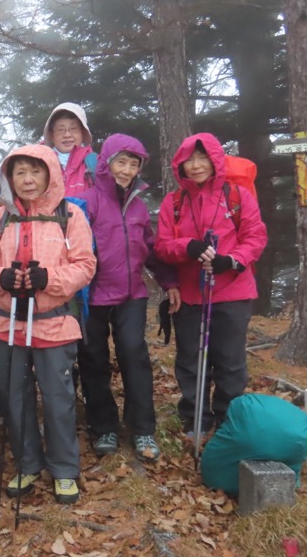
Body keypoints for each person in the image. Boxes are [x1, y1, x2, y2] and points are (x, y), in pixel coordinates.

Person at [0, 144, 96, 503]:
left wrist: (50, 279)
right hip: (7, 323)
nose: (28, 180)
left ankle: (64, 470)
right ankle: (27, 463)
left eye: (35, 171)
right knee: (15, 397)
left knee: (59, 398)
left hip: (55, 323)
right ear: (9, 178)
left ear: (49, 174)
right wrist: (3, 278)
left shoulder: (70, 214)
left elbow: (86, 265)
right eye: (20, 172)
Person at [154, 133, 267, 434]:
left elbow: (256, 237)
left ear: (215, 160)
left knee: (230, 361)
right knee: (191, 360)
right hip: (191, 295)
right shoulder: (174, 202)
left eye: (202, 158)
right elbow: (162, 246)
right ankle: (196, 418)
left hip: (233, 292)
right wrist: (187, 247)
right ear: (180, 165)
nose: (196, 165)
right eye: (189, 160)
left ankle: (228, 420)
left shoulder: (237, 195)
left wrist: (230, 260)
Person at [77, 134, 180, 461]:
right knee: (93, 360)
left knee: (134, 356)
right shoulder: (87, 202)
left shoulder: (137, 205)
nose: (126, 170)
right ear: (106, 162)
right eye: (121, 162)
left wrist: (168, 281)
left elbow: (148, 249)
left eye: (133, 164)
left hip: (131, 294)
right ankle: (103, 426)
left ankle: (142, 428)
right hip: (92, 296)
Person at [42, 102, 97, 197]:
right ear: (51, 136)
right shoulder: (40, 164)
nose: (67, 135)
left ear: (83, 133)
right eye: (60, 129)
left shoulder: (95, 164)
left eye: (73, 128)